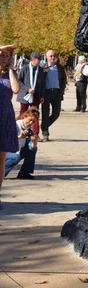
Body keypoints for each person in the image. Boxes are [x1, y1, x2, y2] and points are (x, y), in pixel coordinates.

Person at [0, 45, 21, 207]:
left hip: (5, 117)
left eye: (7, 56)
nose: (5, 59)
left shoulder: (10, 73)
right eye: (2, 55)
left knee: (1, 159)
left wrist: (12, 69)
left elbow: (15, 89)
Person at [41, 49, 67, 141]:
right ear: (47, 57)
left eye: (54, 56)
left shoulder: (60, 67)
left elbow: (64, 79)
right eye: (50, 56)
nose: (52, 57)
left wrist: (61, 90)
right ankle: (45, 133)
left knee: (56, 113)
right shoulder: (43, 67)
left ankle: (44, 125)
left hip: (57, 92)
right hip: (46, 92)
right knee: (45, 113)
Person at [17, 52, 45, 137]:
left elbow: (42, 84)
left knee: (35, 114)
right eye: (38, 59)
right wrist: (27, 89)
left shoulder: (40, 70)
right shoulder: (25, 68)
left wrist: (42, 96)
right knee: (23, 113)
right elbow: (19, 80)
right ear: (33, 59)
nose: (39, 61)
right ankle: (19, 130)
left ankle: (35, 134)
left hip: (36, 95)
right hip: (25, 95)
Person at [5, 110, 38, 179]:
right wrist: (19, 137)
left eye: (33, 121)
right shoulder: (14, 125)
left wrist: (34, 141)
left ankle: (24, 172)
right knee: (15, 157)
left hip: (16, 151)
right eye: (30, 120)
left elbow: (31, 147)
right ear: (24, 117)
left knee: (33, 149)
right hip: (5, 151)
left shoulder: (28, 130)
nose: (31, 123)